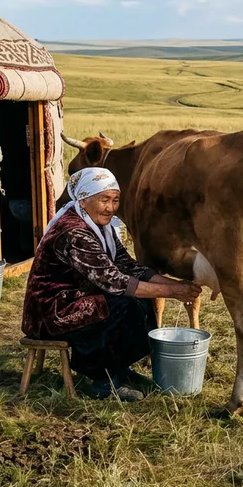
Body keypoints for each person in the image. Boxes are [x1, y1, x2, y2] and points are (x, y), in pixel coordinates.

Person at [21, 166, 201, 401]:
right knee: (119, 306)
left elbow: (129, 266)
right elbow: (114, 282)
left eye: (115, 200)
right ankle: (102, 382)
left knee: (140, 301)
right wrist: (174, 291)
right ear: (83, 200)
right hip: (52, 311)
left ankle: (118, 368)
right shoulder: (74, 232)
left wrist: (175, 284)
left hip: (77, 297)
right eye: (104, 199)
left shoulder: (100, 226)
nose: (111, 207)